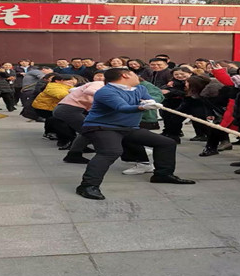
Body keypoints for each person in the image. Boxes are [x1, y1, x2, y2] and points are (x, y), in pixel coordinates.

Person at [75, 68, 196, 200]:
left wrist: (151, 102)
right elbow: (122, 108)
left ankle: (163, 175)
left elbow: (150, 99)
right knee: (110, 151)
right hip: (102, 127)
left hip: (128, 128)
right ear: (125, 75)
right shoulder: (106, 91)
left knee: (166, 143)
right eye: (134, 74)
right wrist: (142, 107)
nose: (138, 76)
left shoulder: (140, 89)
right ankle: (87, 186)